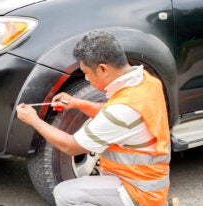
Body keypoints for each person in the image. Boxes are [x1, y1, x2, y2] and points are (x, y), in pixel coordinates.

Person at [16, 30, 178, 206]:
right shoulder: (145, 82)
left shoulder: (121, 110)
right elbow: (115, 115)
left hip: (138, 191)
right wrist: (78, 103)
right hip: (148, 183)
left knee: (64, 194)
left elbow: (70, 146)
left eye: (86, 72)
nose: (86, 78)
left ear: (102, 69)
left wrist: (34, 120)